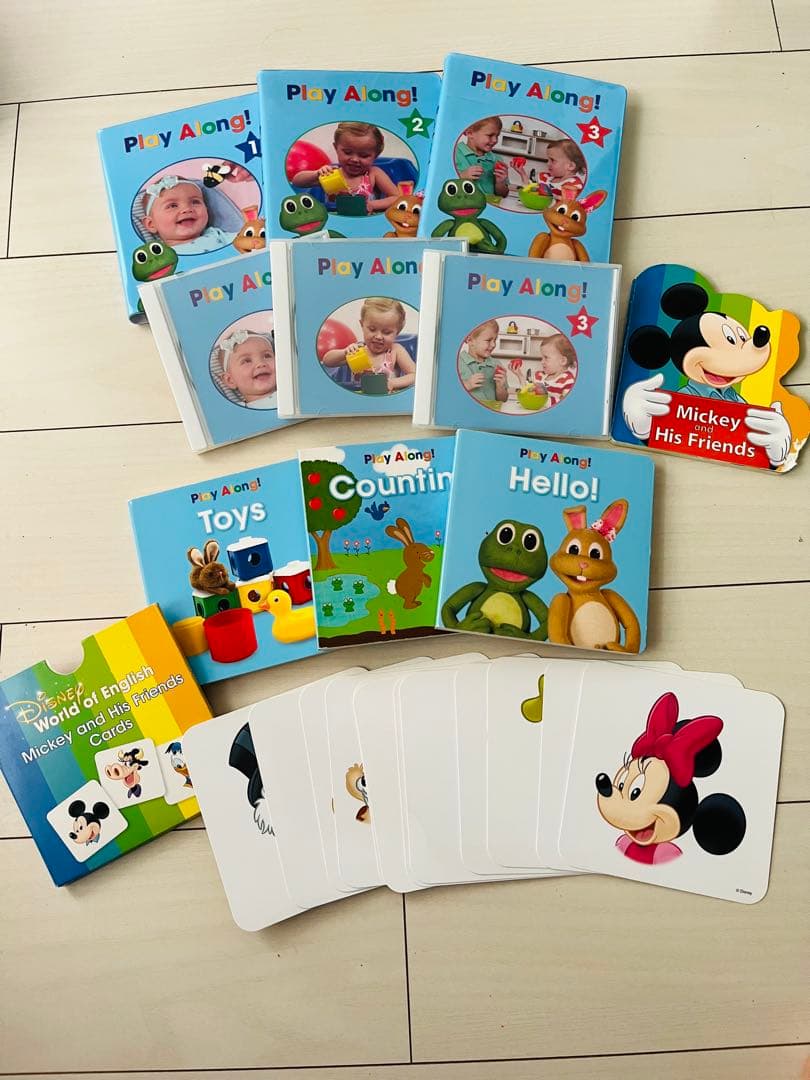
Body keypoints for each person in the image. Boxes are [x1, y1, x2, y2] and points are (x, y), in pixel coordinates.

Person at [291, 122, 400, 212]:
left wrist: (372, 205)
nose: (355, 159)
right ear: (336, 148)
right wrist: (316, 174)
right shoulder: (331, 174)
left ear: (376, 155)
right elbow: (297, 182)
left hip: (364, 223)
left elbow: (397, 198)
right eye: (347, 152)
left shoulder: (373, 174)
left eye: (364, 155)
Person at [322, 298, 415, 392]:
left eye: (386, 332)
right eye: (372, 329)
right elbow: (327, 362)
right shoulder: (358, 351)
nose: (378, 336)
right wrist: (344, 352)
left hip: (386, 398)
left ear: (397, 332)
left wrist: (393, 383)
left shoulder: (395, 351)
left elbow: (414, 374)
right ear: (362, 325)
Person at [140, 176, 236, 254]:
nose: (187, 209)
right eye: (173, 206)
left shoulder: (217, 235)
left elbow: (243, 240)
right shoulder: (159, 255)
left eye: (195, 202)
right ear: (151, 224)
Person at [219, 330, 278, 409]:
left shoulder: (292, 390)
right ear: (230, 380)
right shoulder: (236, 411)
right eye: (247, 361)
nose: (260, 363)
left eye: (267, 356)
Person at [454, 117, 509, 199]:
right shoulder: (455, 153)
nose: (495, 140)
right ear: (470, 133)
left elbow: (503, 194)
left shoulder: (497, 160)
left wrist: (500, 183)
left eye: (497, 136)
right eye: (490, 135)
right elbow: (441, 184)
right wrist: (463, 176)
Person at [458, 319, 508, 406]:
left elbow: (503, 399)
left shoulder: (497, 364)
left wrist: (500, 388)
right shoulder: (458, 363)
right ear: (470, 340)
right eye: (488, 340)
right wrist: (467, 385)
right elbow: (449, 394)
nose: (493, 345)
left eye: (495, 340)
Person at [532, 333, 577, 405]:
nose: (542, 362)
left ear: (562, 361)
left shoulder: (567, 381)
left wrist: (543, 400)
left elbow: (566, 404)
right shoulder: (539, 376)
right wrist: (519, 375)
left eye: (546, 357)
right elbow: (527, 392)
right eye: (542, 358)